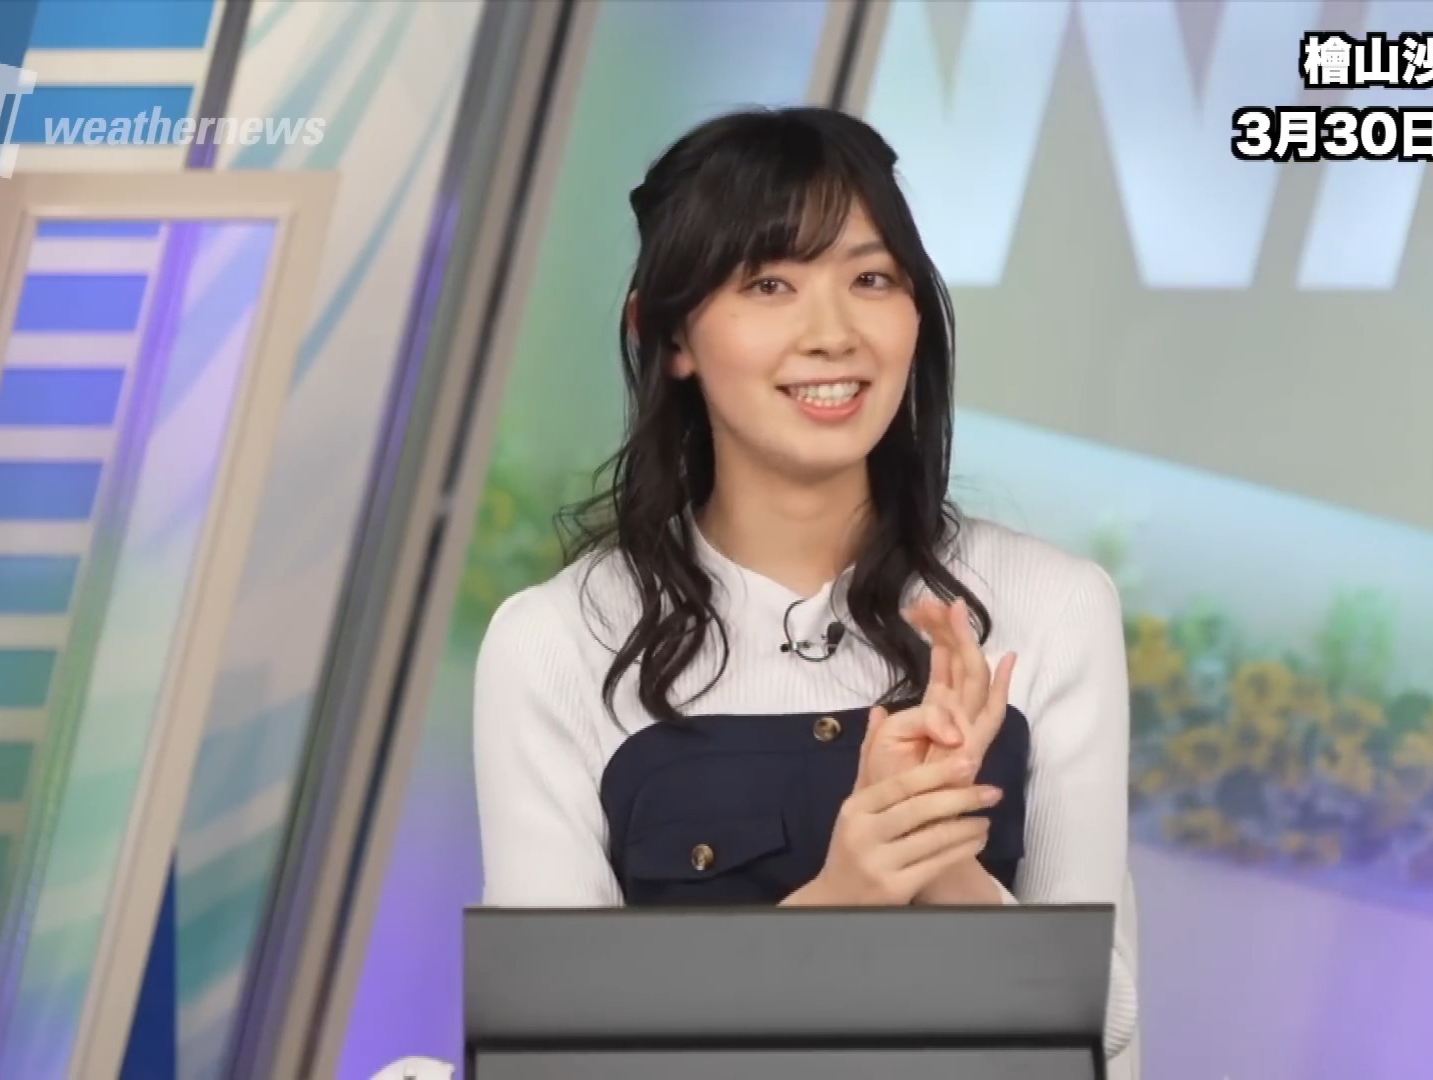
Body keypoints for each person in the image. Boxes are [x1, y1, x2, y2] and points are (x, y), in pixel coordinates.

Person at [472, 105, 1139, 1075]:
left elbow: (1111, 1032)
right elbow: (554, 1054)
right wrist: (842, 899)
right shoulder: (557, 641)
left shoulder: (1052, 604)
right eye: (769, 284)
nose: (833, 334)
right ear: (668, 334)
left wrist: (944, 865)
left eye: (872, 279)